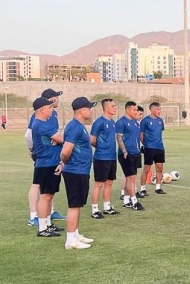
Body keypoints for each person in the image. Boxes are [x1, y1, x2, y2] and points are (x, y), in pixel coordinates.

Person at [60, 97, 97, 250]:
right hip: (75, 171)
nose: (90, 111)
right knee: (74, 205)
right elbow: (65, 151)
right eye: (88, 109)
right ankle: (70, 240)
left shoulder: (79, 126)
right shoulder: (75, 127)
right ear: (81, 110)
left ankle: (75, 233)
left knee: (78, 205)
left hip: (81, 170)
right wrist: (65, 162)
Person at [26, 88, 65, 226]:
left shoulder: (52, 115)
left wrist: (55, 137)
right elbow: (29, 135)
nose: (58, 100)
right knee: (39, 187)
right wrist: (33, 150)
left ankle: (48, 218)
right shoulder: (38, 119)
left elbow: (56, 135)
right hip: (44, 158)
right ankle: (34, 216)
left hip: (51, 157)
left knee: (48, 193)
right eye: (55, 97)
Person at [90, 98, 120, 218]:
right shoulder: (99, 122)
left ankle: (107, 207)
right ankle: (95, 210)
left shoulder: (112, 122)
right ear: (106, 108)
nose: (115, 108)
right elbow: (92, 140)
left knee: (109, 182)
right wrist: (102, 148)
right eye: (113, 106)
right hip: (101, 158)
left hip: (112, 157)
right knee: (99, 184)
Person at [116, 101, 144, 211]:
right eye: (134, 110)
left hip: (136, 153)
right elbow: (119, 138)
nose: (136, 112)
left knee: (131, 178)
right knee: (131, 178)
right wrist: (124, 151)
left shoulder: (135, 122)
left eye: (137, 110)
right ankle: (134, 201)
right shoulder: (121, 122)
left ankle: (126, 200)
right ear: (127, 110)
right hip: (127, 154)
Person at [139, 102, 166, 196]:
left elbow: (160, 132)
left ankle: (158, 187)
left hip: (159, 147)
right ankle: (142, 188)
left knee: (159, 168)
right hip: (149, 148)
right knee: (147, 168)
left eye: (160, 109)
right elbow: (141, 134)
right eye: (157, 109)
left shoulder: (160, 121)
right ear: (151, 109)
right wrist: (145, 144)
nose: (159, 111)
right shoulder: (145, 121)